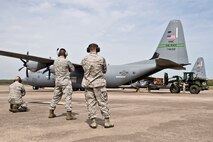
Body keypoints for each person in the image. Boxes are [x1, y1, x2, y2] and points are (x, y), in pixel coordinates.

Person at [81, 43, 114, 129]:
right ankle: (107, 121)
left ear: (88, 49)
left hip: (88, 84)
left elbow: (84, 70)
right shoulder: (101, 58)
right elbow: (104, 70)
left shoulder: (84, 59)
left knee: (90, 103)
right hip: (99, 84)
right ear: (97, 49)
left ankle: (93, 122)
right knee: (102, 102)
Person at [49, 48, 76, 120]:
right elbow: (73, 69)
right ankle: (69, 114)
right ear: (66, 54)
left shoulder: (55, 61)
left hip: (57, 82)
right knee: (67, 97)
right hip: (65, 81)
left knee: (55, 97)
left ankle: (51, 112)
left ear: (58, 54)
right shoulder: (67, 61)